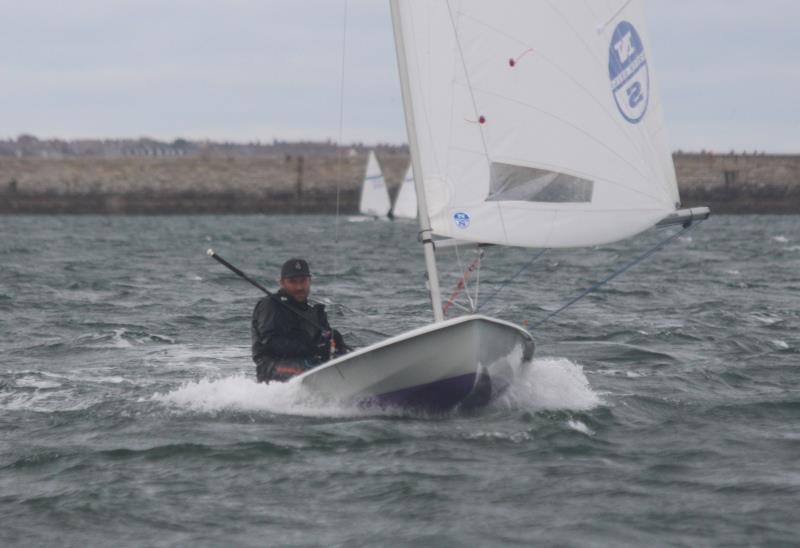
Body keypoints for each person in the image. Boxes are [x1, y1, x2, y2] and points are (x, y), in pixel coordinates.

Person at [251, 258, 347, 383]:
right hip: (272, 367)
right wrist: (314, 347)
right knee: (311, 369)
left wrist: (331, 342)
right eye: (292, 281)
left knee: (335, 339)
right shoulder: (270, 305)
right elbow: (272, 343)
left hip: (308, 363)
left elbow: (323, 343)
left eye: (303, 281)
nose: (299, 287)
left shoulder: (315, 310)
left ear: (310, 281)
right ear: (282, 283)